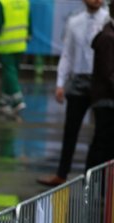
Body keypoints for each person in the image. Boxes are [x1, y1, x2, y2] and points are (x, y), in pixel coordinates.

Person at [36, 0, 108, 187]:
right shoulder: (74, 21)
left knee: (103, 133)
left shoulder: (109, 21)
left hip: (102, 81)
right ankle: (62, 173)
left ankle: (93, 179)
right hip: (79, 80)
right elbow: (67, 54)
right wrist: (60, 83)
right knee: (71, 129)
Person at [0, 0, 30, 115]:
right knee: (11, 72)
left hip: (6, 44)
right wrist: (28, 35)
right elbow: (29, 21)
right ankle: (3, 101)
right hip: (20, 43)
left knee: (9, 72)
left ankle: (18, 99)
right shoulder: (24, 2)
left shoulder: (3, 3)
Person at [84, 1, 114, 172]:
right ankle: (95, 188)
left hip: (106, 98)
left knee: (102, 144)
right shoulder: (108, 37)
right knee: (103, 145)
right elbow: (109, 74)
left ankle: (97, 187)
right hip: (106, 100)